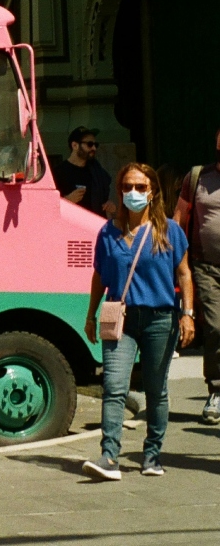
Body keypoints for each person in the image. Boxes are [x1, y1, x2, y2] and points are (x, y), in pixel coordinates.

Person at [83, 163, 194, 479]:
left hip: (160, 319)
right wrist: (90, 315)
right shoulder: (108, 232)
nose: (134, 193)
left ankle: (152, 455)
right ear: (120, 191)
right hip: (119, 317)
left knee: (156, 390)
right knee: (114, 386)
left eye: (141, 187)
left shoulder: (169, 230)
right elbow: (99, 276)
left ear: (153, 191)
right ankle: (109, 457)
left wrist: (187, 315)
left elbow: (184, 273)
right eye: (128, 187)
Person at [175, 125, 220, 424]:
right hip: (207, 266)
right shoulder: (197, 177)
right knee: (217, 326)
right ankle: (217, 390)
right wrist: (173, 261)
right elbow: (178, 219)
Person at [53, 126, 115, 217]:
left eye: (95, 144)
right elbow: (48, 206)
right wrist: (67, 200)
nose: (94, 148)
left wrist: (109, 205)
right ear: (75, 145)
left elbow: (104, 198)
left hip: (95, 226)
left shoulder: (96, 171)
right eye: (89, 144)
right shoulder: (58, 172)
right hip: (70, 226)